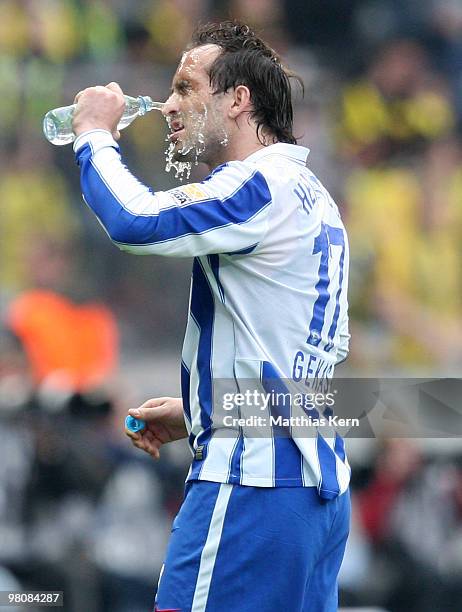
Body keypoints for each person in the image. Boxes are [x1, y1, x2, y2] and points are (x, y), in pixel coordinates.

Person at [71, 21, 351, 612]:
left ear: (238, 99)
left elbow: (137, 221)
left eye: (186, 87)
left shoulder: (258, 183)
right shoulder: (313, 194)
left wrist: (95, 135)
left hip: (252, 487)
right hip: (314, 493)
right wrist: (203, 409)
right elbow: (307, 371)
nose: (169, 104)